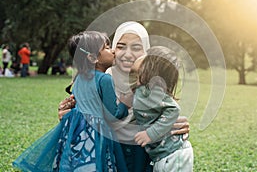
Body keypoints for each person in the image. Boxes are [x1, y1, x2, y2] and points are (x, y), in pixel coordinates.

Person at [58, 21, 190, 172]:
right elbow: (78, 117)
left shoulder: (152, 85)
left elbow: (171, 115)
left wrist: (177, 125)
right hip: (106, 152)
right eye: (120, 47)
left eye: (136, 48)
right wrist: (65, 114)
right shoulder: (99, 79)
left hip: (141, 154)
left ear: (146, 52)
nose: (127, 54)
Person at [13, 31, 129, 171]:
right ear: (92, 58)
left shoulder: (78, 78)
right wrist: (124, 103)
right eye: (106, 47)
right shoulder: (105, 79)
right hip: (96, 133)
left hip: (75, 128)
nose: (113, 51)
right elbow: (113, 114)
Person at [130, 46, 194, 172]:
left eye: (145, 58)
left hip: (173, 155)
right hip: (164, 156)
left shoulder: (151, 90)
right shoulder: (144, 90)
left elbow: (174, 109)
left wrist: (150, 133)